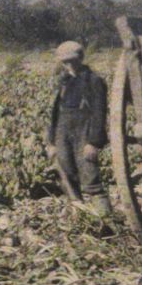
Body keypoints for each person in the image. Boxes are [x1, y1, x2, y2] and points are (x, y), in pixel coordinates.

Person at [45, 42, 110, 212]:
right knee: (66, 175)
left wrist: (94, 142)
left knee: (90, 177)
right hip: (63, 132)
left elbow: (99, 113)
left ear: (80, 58)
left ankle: (107, 223)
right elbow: (55, 114)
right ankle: (79, 216)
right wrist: (51, 142)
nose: (68, 65)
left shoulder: (94, 81)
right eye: (64, 62)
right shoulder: (64, 82)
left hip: (84, 133)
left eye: (71, 61)